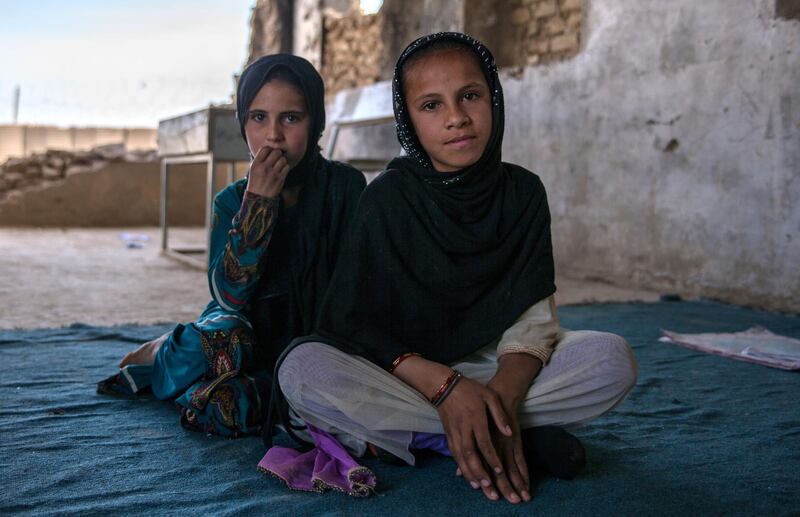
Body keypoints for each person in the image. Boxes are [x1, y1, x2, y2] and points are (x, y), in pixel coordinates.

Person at [272, 33, 638, 503]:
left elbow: (533, 316)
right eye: (431, 105)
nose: (456, 117)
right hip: (410, 376)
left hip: (497, 368)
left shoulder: (523, 192)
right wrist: (445, 388)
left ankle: (467, 428)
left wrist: (503, 393)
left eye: (470, 95)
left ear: (493, 98)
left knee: (611, 360)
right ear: (409, 119)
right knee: (303, 372)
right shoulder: (387, 198)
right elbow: (353, 321)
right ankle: (494, 435)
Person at [97, 54, 366, 437]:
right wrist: (257, 204)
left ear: (315, 122)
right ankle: (162, 355)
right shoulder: (230, 200)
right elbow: (229, 297)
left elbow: (356, 285)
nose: (273, 134)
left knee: (221, 409)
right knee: (222, 340)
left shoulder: (345, 188)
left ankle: (192, 372)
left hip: (313, 339)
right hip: (244, 332)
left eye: (291, 118)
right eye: (258, 118)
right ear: (243, 124)